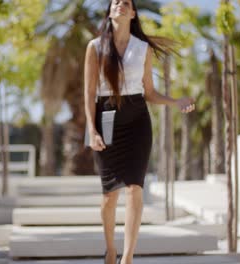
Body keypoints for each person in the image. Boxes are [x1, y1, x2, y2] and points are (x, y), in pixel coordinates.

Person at [83, 0, 196, 263]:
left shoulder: (142, 48)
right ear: (110, 11)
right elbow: (89, 93)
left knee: (135, 187)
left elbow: (149, 93)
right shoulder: (95, 47)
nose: (120, 5)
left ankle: (127, 257)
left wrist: (175, 101)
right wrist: (92, 130)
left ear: (132, 13)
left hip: (137, 121)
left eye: (126, 3)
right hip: (105, 117)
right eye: (115, 2)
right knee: (110, 195)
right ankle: (111, 250)